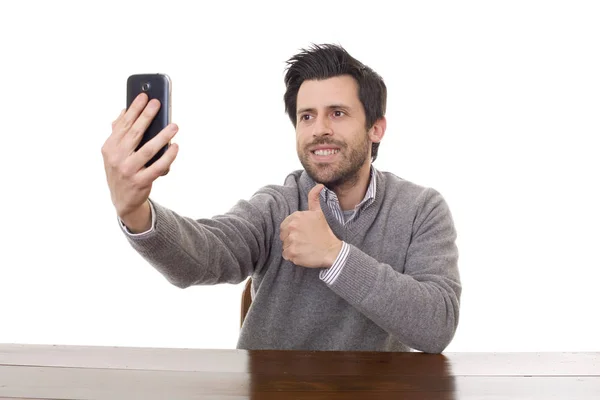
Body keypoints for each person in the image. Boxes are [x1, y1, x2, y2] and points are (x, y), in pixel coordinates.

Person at [101, 44, 461, 353]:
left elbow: (437, 326)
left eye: (337, 113)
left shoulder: (421, 210)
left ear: (376, 128)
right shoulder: (276, 205)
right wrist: (136, 212)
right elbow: (203, 257)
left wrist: (335, 255)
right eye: (307, 116)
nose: (319, 128)